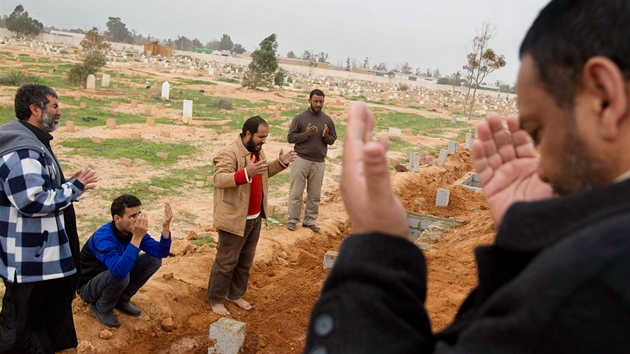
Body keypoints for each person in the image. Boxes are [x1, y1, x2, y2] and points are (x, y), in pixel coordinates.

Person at [304, 0, 630, 352]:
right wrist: (535, 244)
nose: (544, 170)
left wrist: (376, 245)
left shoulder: (590, 290)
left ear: (604, 99)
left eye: (539, 133)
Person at [0, 84, 98, 353]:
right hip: (29, 258)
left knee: (36, 322)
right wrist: (75, 187)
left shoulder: (31, 142)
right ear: (35, 109)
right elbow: (31, 201)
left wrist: (65, 184)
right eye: (54, 106)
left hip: (36, 257)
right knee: (19, 326)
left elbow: (37, 188)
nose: (59, 111)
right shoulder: (23, 150)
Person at [207, 116, 296, 315]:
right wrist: (245, 173)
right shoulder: (229, 153)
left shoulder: (257, 150)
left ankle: (235, 294)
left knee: (245, 261)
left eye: (265, 137)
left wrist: (280, 163)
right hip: (234, 219)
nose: (263, 141)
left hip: (254, 218)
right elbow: (219, 179)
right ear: (248, 133)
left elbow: (262, 174)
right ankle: (216, 299)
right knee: (226, 261)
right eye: (260, 136)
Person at [77, 195, 173, 328]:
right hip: (89, 287)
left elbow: (160, 252)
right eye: (132, 216)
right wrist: (137, 237)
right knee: (121, 274)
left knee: (153, 260)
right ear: (117, 218)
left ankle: (121, 299)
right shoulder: (103, 238)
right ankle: (101, 307)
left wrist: (165, 227)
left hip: (112, 276)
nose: (137, 220)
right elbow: (120, 271)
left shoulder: (132, 230)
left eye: (138, 214)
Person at [286, 89, 337, 232]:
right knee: (296, 193)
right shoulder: (299, 118)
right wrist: (306, 134)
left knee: (314, 195)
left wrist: (326, 136)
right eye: (315, 101)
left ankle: (309, 220)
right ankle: (292, 220)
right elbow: (290, 138)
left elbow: (332, 139)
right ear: (309, 101)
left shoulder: (327, 120)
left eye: (321, 101)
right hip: (301, 160)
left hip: (319, 162)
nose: (318, 104)